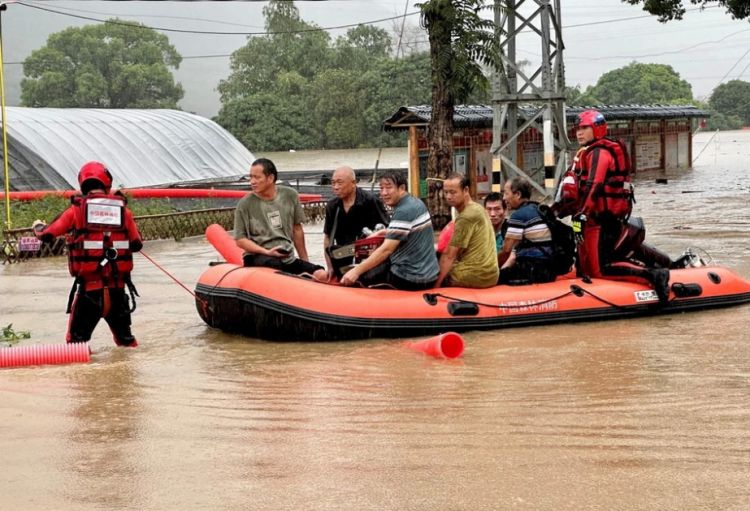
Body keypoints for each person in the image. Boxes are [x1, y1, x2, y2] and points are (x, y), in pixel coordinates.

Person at [555, 109, 670, 303]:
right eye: (577, 129)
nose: (579, 133)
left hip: (600, 219)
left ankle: (653, 275)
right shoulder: (584, 154)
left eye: (584, 128)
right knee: (584, 266)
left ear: (597, 129)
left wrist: (582, 213)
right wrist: (556, 211)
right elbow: (573, 188)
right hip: (582, 219)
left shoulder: (600, 153)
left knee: (602, 269)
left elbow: (594, 184)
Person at [33, 161, 142, 347]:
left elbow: (47, 235)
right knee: (127, 344)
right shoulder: (125, 212)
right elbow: (137, 244)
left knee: (76, 346)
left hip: (89, 293)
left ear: (83, 184)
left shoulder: (75, 211)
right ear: (107, 183)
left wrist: (37, 227)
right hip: (118, 292)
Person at [340, 171, 438, 290]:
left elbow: (386, 249)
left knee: (361, 277)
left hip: (411, 277)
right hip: (429, 273)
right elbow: (409, 229)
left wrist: (356, 271)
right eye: (381, 188)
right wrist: (385, 231)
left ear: (401, 188)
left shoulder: (403, 211)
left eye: (388, 187)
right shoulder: (416, 203)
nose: (384, 193)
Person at [234, 158, 327, 281]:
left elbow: (297, 230)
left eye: (257, 177)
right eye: (251, 177)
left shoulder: (290, 196)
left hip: (285, 256)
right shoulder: (245, 204)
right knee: (275, 267)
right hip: (258, 256)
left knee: (320, 273)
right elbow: (240, 240)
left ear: (271, 178)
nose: (252, 181)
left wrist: (305, 261)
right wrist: (266, 252)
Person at [323, 166, 389, 279]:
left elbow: (388, 233)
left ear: (353, 183)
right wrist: (330, 267)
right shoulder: (332, 206)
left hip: (367, 259)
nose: (335, 187)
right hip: (343, 258)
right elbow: (327, 238)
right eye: (333, 183)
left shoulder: (370, 201)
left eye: (340, 183)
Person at [435, 174, 498, 288]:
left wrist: (436, 286)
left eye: (453, 192)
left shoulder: (466, 216)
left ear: (466, 190)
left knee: (431, 273)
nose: (448, 196)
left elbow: (449, 255)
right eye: (446, 192)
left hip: (473, 275)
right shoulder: (477, 208)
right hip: (490, 274)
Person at [497, 177, 557, 285]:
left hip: (532, 270)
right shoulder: (537, 209)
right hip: (549, 269)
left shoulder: (519, 215)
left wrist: (493, 268)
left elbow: (506, 251)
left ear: (518, 194)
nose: (504, 198)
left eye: (506, 193)